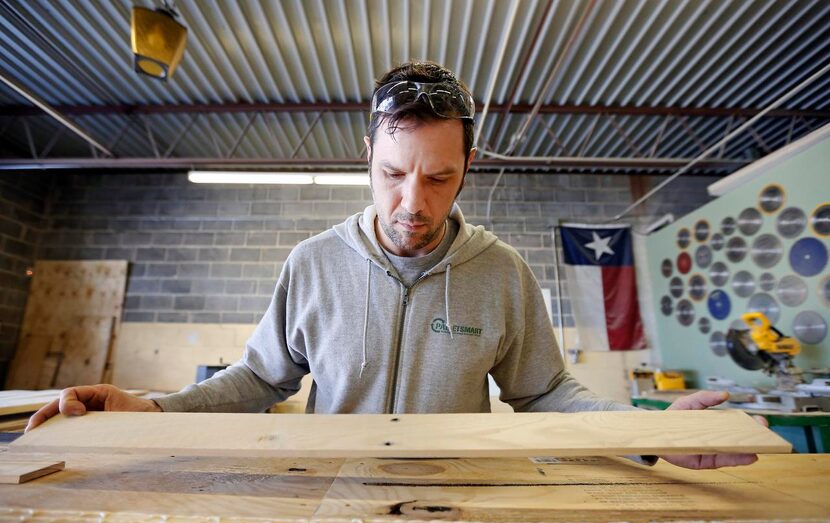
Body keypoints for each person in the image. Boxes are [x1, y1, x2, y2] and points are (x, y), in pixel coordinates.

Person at [27, 61, 759, 470]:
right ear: (368, 158)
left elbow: (546, 396)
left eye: (439, 177)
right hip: (327, 494)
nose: (412, 202)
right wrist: (153, 410)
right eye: (392, 174)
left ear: (469, 166)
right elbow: (258, 379)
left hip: (466, 499)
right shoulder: (312, 264)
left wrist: (644, 430)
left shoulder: (502, 273)